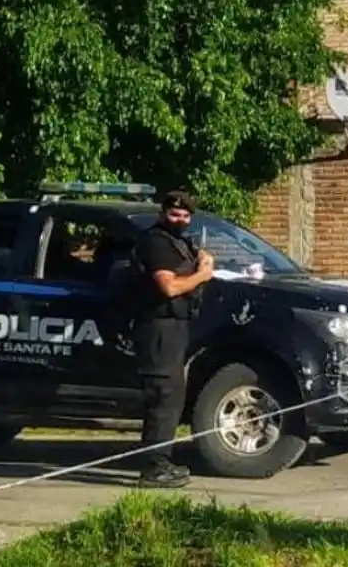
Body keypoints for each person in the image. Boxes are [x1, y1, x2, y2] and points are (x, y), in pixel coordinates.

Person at [131, 190, 214, 488]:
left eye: (185, 216)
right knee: (163, 397)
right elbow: (169, 287)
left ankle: (161, 460)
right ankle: (154, 467)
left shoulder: (179, 242)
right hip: (158, 328)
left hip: (176, 328)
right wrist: (203, 275)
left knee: (172, 395)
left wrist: (201, 259)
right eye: (174, 214)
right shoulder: (155, 242)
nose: (180, 220)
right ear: (162, 213)